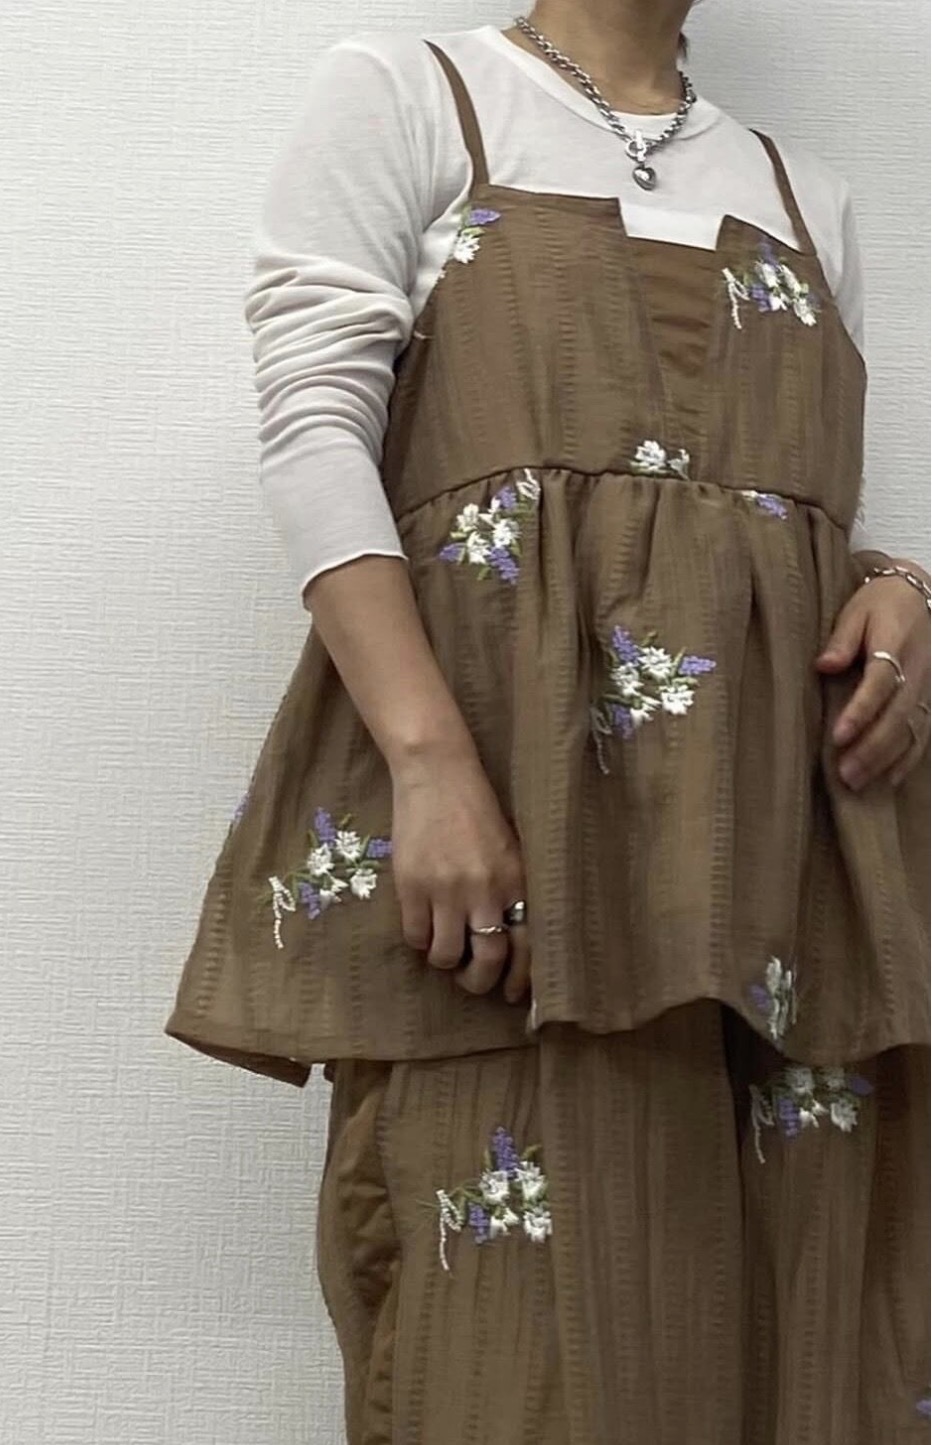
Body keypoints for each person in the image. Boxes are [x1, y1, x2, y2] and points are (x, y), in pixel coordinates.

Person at [166, 2, 931, 1439]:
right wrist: (428, 766)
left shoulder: (803, 196)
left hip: (779, 888)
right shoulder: (413, 96)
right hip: (519, 865)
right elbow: (315, 425)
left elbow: (767, 527)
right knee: (514, 1359)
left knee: (800, 1352)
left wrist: (901, 588)